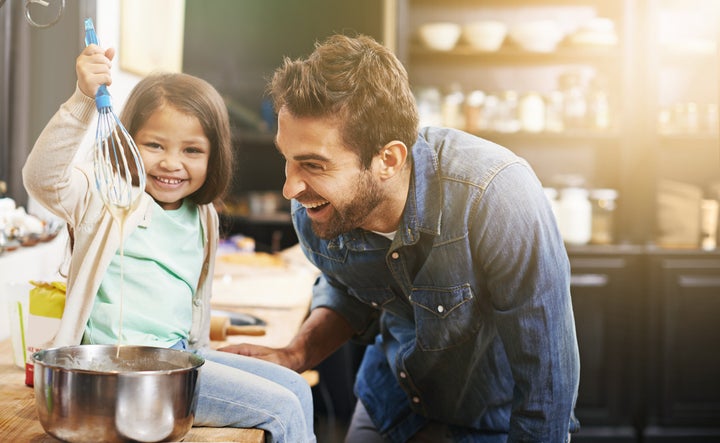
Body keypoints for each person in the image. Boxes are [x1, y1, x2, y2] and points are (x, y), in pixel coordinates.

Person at [220, 34, 580, 442]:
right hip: (390, 404)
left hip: (493, 421)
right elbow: (346, 289)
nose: (290, 189)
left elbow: (547, 377)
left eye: (314, 165)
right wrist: (295, 354)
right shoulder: (316, 210)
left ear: (388, 160)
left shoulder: (496, 196)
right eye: (287, 159)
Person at [22, 43, 315, 443]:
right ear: (127, 141)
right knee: (280, 409)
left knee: (297, 389)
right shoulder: (108, 199)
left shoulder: (203, 215)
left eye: (192, 150)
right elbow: (43, 178)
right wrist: (81, 101)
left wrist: (204, 352)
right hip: (122, 371)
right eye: (154, 145)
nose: (172, 163)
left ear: (214, 156)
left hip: (178, 360)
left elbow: (193, 303)